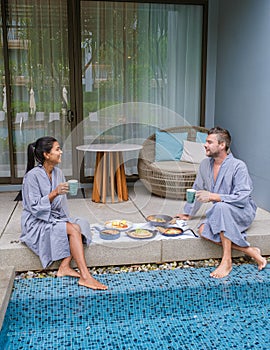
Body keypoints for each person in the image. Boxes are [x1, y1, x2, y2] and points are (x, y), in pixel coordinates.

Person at [177, 126, 267, 278]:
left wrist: (213, 196)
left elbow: (243, 197)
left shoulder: (238, 166)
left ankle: (227, 261)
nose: (205, 145)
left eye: (209, 142)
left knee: (220, 207)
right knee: (202, 229)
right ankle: (250, 251)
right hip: (221, 211)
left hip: (242, 212)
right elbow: (197, 189)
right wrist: (188, 212)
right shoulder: (205, 165)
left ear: (222, 145)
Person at [20, 136, 107, 290]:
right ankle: (85, 276)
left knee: (80, 224)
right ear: (47, 155)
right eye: (57, 149)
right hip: (36, 221)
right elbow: (33, 207)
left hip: (54, 217)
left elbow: (61, 205)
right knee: (73, 229)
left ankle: (64, 267)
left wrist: (65, 219)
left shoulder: (58, 173)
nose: (61, 152)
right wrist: (54, 193)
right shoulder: (31, 177)